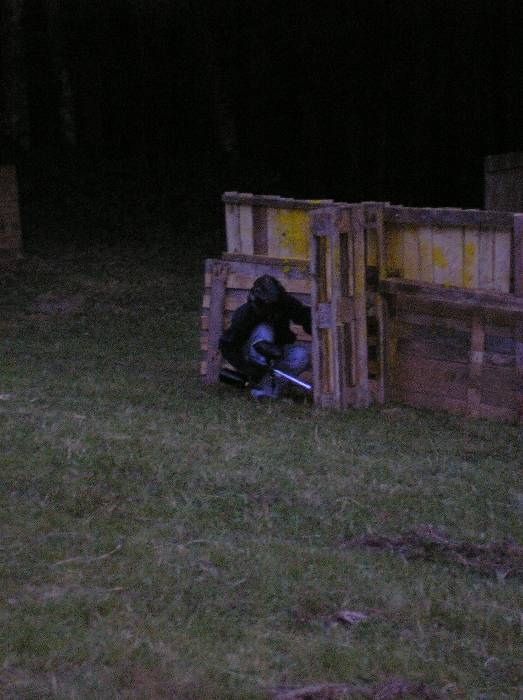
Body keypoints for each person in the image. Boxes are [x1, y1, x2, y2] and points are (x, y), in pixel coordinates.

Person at [219, 274, 311, 399]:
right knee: (264, 330)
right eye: (266, 303)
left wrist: (316, 325)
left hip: (276, 352)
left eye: (273, 303)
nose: (269, 306)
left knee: (301, 355)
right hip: (251, 358)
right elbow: (226, 345)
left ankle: (269, 389)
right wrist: (248, 368)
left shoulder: (285, 303)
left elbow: (304, 316)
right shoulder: (245, 314)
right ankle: (258, 384)